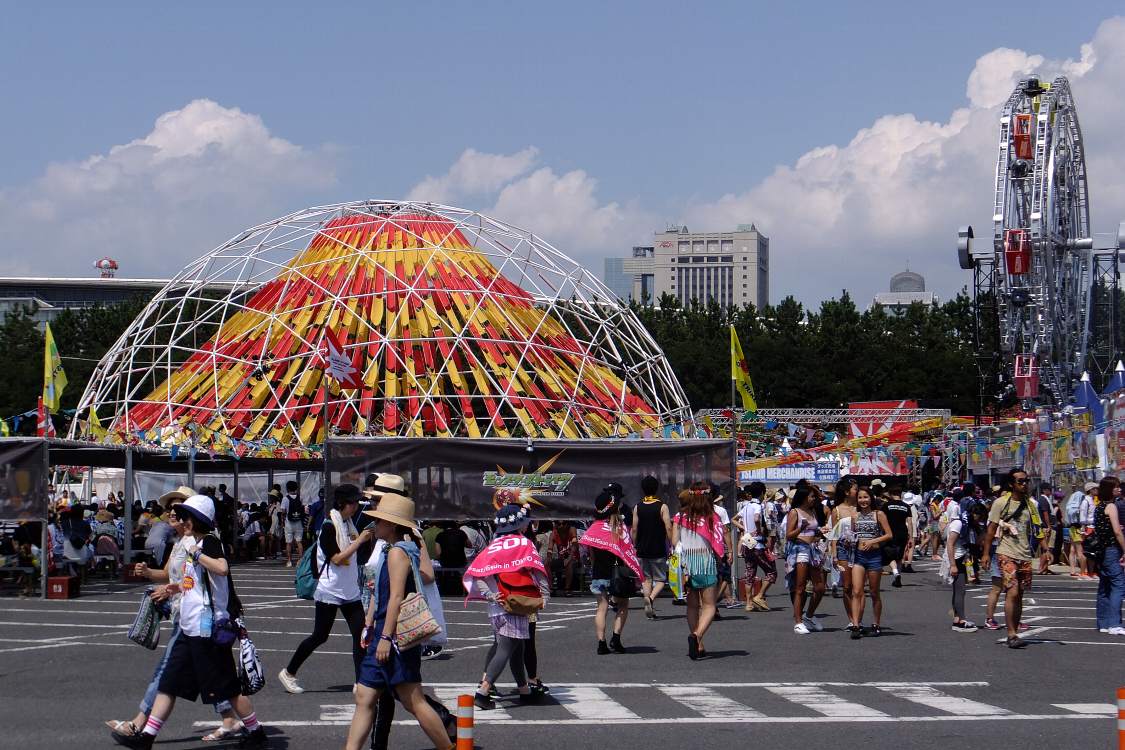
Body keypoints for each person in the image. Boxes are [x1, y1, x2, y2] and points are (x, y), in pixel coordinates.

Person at [113, 495, 267, 749]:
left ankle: (256, 731)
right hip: (188, 627)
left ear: (195, 521)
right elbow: (192, 585)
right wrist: (172, 588)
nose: (180, 520)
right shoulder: (190, 542)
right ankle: (147, 737)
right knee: (168, 682)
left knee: (228, 689)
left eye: (184, 516)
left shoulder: (209, 542)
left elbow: (222, 568)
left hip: (208, 630)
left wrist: (196, 554)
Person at [344, 486, 453, 750]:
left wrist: (382, 637)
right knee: (365, 696)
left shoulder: (397, 552)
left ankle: (448, 747)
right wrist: (370, 622)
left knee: (412, 700)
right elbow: (379, 594)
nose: (374, 523)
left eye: (379, 519)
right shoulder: (396, 549)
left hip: (393, 637)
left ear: (391, 525)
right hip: (383, 631)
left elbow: (394, 597)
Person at [279, 484, 373, 694]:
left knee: (360, 635)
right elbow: (338, 559)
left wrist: (363, 539)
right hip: (330, 590)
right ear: (343, 504)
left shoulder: (348, 524)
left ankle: (361, 682)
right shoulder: (329, 526)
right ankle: (289, 672)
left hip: (349, 590)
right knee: (320, 635)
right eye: (354, 502)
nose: (356, 506)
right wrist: (360, 542)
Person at [469, 499, 550, 709]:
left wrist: (489, 595)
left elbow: (478, 573)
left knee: (517, 648)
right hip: (516, 603)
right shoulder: (524, 543)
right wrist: (545, 596)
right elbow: (538, 570)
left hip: (497, 605)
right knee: (506, 648)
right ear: (519, 523)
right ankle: (483, 691)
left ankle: (524, 690)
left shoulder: (494, 545)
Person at [981, 468, 1041, 649]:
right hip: (1005, 552)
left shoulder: (1031, 504)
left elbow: (1037, 527)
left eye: (1026, 481)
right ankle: (1011, 633)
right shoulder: (1001, 503)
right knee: (1012, 591)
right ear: (1011, 484)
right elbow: (991, 529)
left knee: (1020, 595)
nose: (1024, 484)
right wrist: (985, 554)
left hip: (1024, 554)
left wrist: (1045, 548)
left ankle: (1014, 629)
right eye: (1020, 481)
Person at [580, 490, 643, 654]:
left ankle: (601, 643)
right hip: (618, 573)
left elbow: (592, 555)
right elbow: (627, 552)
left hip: (598, 572)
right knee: (623, 605)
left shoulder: (593, 528)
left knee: (602, 608)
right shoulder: (620, 528)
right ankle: (616, 638)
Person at [672, 482, 723, 659]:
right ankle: (697, 636)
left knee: (692, 605)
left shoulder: (680, 516)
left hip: (687, 564)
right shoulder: (712, 516)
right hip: (706, 561)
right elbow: (718, 543)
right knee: (709, 606)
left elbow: (674, 542)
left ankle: (698, 644)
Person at [847, 486, 893, 638]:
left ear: (871, 498)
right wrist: (849, 540)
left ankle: (876, 623)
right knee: (856, 591)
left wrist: (872, 541)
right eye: (860, 498)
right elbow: (853, 534)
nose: (863, 500)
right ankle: (855, 625)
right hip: (859, 556)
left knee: (874, 592)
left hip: (874, 556)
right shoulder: (855, 515)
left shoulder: (878, 514)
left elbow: (888, 535)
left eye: (866, 497)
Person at [784, 487, 826, 635]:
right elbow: (789, 535)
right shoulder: (795, 512)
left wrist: (820, 532)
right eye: (811, 496)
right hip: (800, 549)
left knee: (820, 587)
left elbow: (813, 532)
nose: (814, 499)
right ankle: (798, 621)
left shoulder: (812, 511)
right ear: (803, 497)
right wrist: (800, 528)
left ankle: (808, 615)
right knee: (800, 587)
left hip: (813, 549)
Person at [631, 475, 672, 620]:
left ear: (643, 490)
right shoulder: (662, 506)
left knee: (646, 580)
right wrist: (672, 543)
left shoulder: (638, 506)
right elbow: (668, 526)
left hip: (642, 548)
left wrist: (634, 545)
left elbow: (634, 529)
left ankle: (649, 605)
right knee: (661, 579)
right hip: (658, 548)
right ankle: (651, 599)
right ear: (657, 489)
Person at [1091, 476, 1125, 634]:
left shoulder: (1098, 506)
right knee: (1118, 585)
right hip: (1112, 549)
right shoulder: (1111, 506)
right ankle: (1114, 624)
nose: (1119, 489)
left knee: (1104, 587)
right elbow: (1117, 531)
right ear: (1109, 489)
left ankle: (1103, 623)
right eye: (1116, 487)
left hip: (1101, 551)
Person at [738, 481, 776, 612]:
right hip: (758, 544)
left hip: (747, 542)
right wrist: (758, 530)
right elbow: (756, 518)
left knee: (750, 573)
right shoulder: (757, 506)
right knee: (771, 572)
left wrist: (745, 529)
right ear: (762, 493)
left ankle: (748, 603)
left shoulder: (746, 506)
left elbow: (734, 519)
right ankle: (759, 596)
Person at [828, 478, 858, 620]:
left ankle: (858, 618)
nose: (857, 492)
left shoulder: (862, 507)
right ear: (847, 492)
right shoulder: (837, 510)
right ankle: (852, 619)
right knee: (847, 586)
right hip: (843, 549)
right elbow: (834, 535)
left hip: (860, 549)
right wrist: (834, 556)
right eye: (855, 489)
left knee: (857, 587)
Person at [882, 487, 913, 588]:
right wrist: (911, 537)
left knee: (889, 555)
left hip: (890, 533)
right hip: (903, 533)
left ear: (891, 494)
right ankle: (898, 577)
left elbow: (882, 519)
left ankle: (896, 573)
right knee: (899, 556)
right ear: (901, 494)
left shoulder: (886, 505)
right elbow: (909, 522)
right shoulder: (906, 506)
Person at [548, 521, 579, 596]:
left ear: (567, 524)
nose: (561, 526)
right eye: (558, 524)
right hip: (562, 558)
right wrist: (549, 557)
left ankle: (567, 589)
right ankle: (551, 588)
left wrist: (568, 559)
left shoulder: (572, 529)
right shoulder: (554, 533)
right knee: (546, 564)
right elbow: (550, 548)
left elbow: (574, 546)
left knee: (569, 563)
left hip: (574, 557)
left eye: (563, 524)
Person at [281, 480, 305, 568]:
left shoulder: (285, 498)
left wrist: (282, 521)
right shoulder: (300, 497)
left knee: (288, 543)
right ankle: (300, 560)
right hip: (299, 522)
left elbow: (283, 511)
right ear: (296, 488)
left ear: (287, 488)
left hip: (289, 523)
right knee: (299, 542)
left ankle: (289, 561)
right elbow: (303, 509)